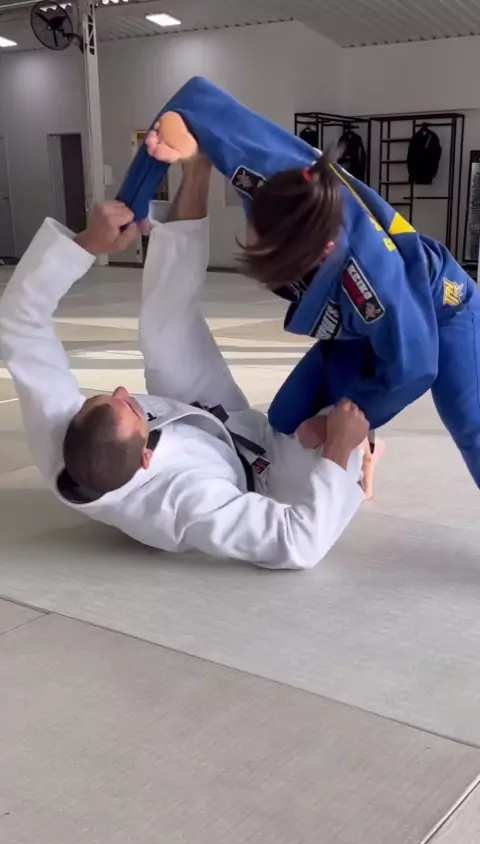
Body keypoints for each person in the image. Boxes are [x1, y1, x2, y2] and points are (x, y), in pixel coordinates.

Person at [0, 155, 371, 571]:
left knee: (164, 330)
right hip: (266, 483)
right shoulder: (186, 504)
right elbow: (299, 545)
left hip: (205, 420)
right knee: (342, 418)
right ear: (146, 459)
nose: (123, 390)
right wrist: (340, 451)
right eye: (129, 406)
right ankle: (362, 445)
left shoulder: (59, 429)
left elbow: (18, 321)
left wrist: (88, 243)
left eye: (105, 397)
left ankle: (197, 168)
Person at [117, 76, 480, 489]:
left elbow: (416, 369)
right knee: (286, 422)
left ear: (323, 253)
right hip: (357, 327)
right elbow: (192, 100)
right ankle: (365, 450)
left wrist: (341, 424)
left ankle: (365, 452)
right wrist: (133, 201)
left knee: (470, 425)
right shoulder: (265, 169)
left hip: (441, 311)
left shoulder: (374, 286)